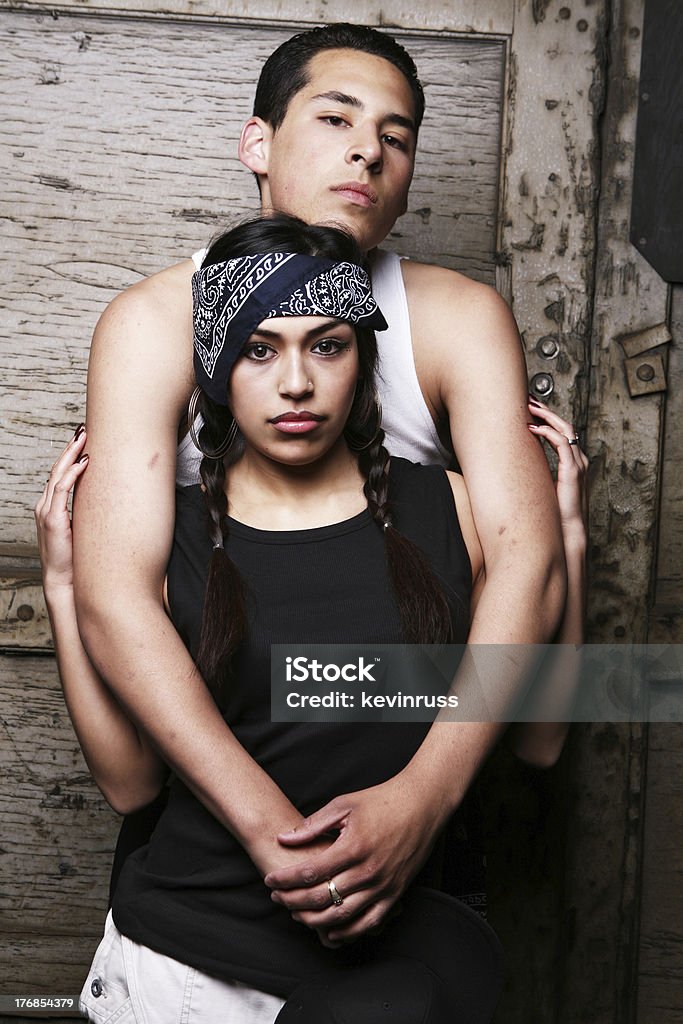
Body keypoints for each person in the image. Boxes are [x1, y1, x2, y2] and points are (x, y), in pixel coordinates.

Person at [71, 23, 567, 944]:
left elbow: (523, 560)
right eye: (335, 115)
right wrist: (274, 835)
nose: (366, 150)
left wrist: (421, 800)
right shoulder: (153, 322)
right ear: (257, 143)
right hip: (212, 818)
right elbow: (116, 593)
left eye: (396, 134)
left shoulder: (459, 318)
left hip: (412, 803)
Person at [36, 214, 586, 1023]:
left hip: (388, 981)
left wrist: (564, 538)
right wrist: (61, 585)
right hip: (183, 972)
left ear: (363, 358)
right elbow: (130, 785)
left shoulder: (455, 511)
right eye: (259, 350)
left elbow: (541, 738)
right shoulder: (173, 539)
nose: (295, 381)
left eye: (327, 344)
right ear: (218, 366)